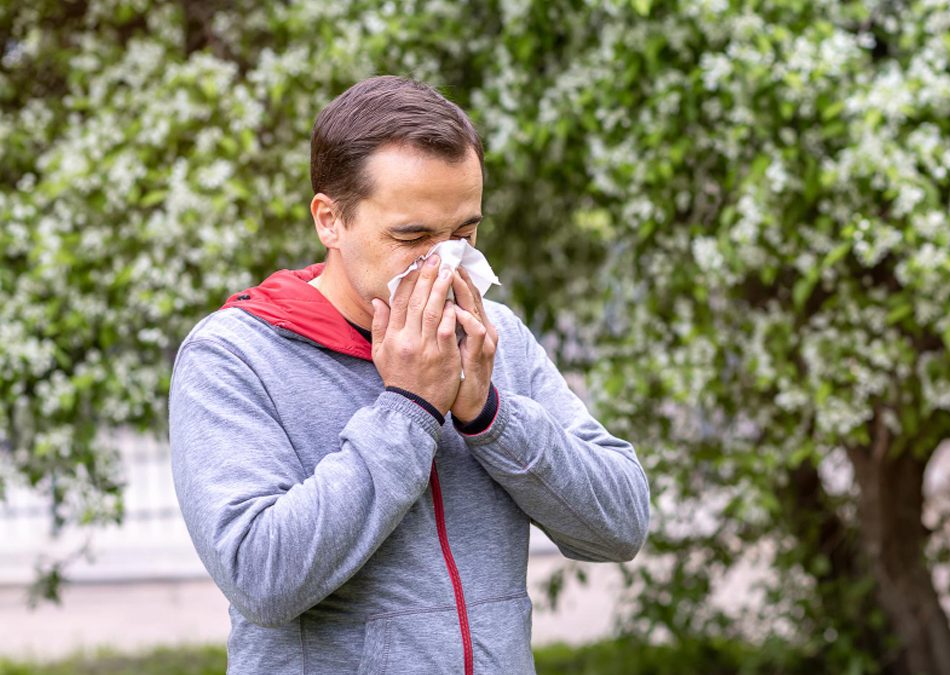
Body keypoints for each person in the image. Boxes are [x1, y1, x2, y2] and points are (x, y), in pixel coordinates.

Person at [167, 75, 651, 674]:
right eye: (412, 236)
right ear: (330, 220)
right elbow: (260, 577)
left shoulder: (493, 335)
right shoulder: (234, 356)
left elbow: (621, 526)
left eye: (465, 233)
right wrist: (409, 410)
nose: (447, 261)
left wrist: (491, 416)